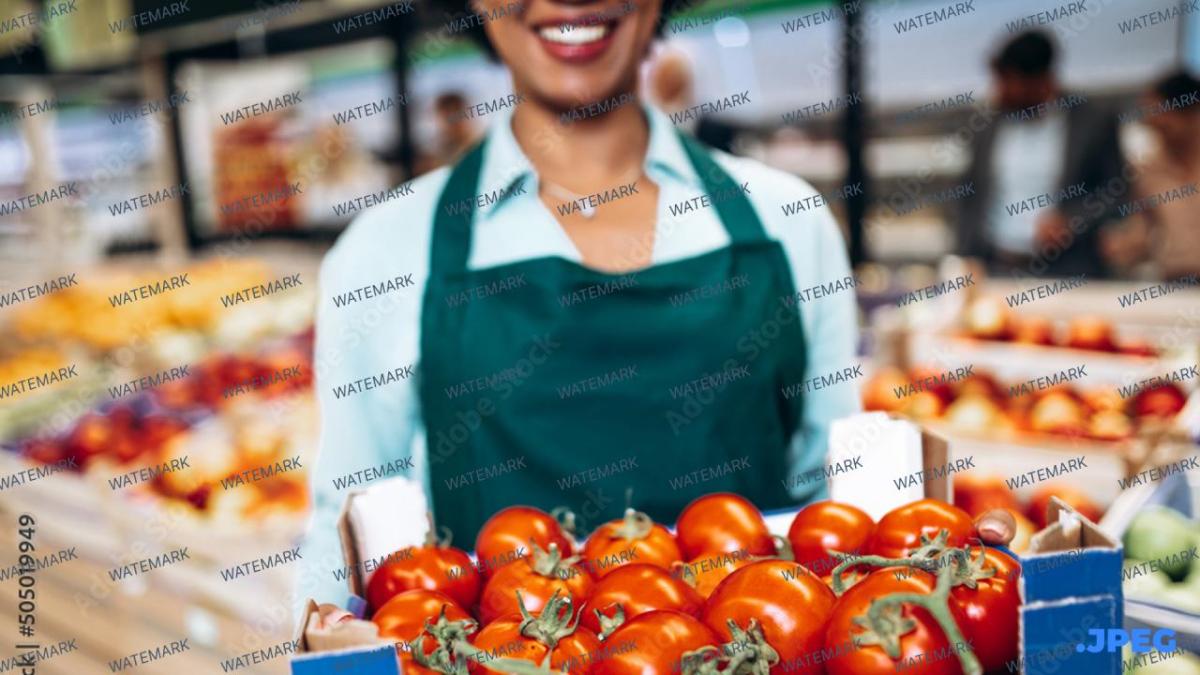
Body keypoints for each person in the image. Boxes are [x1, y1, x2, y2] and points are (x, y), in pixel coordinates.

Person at [294, 0, 1010, 613]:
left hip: (757, 641)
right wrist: (326, 635)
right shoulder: (385, 250)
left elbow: (836, 494)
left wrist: (937, 564)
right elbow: (350, 531)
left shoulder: (786, 220)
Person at [955, 31, 1124, 278]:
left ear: (1042, 81)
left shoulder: (1093, 122)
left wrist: (1073, 220)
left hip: (1067, 272)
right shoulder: (987, 126)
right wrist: (964, 257)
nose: (999, 91)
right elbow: (968, 195)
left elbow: (1117, 191)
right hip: (996, 270)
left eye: (1008, 82)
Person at [1100, 70, 1200, 281]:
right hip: (1177, 283)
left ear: (1192, 113)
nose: (1158, 130)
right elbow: (1143, 231)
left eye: (1166, 124)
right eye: (1153, 124)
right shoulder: (1146, 171)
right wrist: (1123, 245)